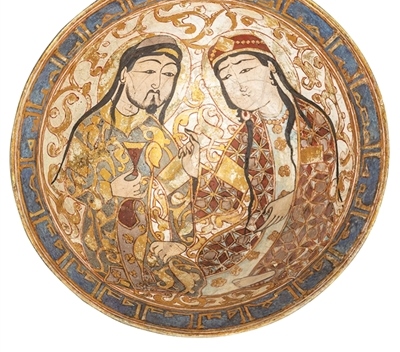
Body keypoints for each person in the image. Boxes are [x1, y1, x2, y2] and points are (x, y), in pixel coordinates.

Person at [52, 35, 204, 295]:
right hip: (104, 247)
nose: (158, 83)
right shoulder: (91, 128)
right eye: (149, 71)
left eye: (169, 74)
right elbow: (69, 183)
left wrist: (179, 241)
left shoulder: (157, 133)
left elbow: (175, 192)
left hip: (149, 251)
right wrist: (109, 190)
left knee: (191, 283)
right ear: (123, 74)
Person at [191, 33, 340, 293]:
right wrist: (192, 173)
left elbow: (322, 179)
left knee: (224, 281)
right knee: (207, 259)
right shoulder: (248, 133)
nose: (238, 85)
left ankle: (272, 273)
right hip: (260, 228)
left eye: (245, 70)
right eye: (226, 78)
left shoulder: (310, 120)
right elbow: (225, 190)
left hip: (306, 222)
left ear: (270, 67)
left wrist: (291, 200)